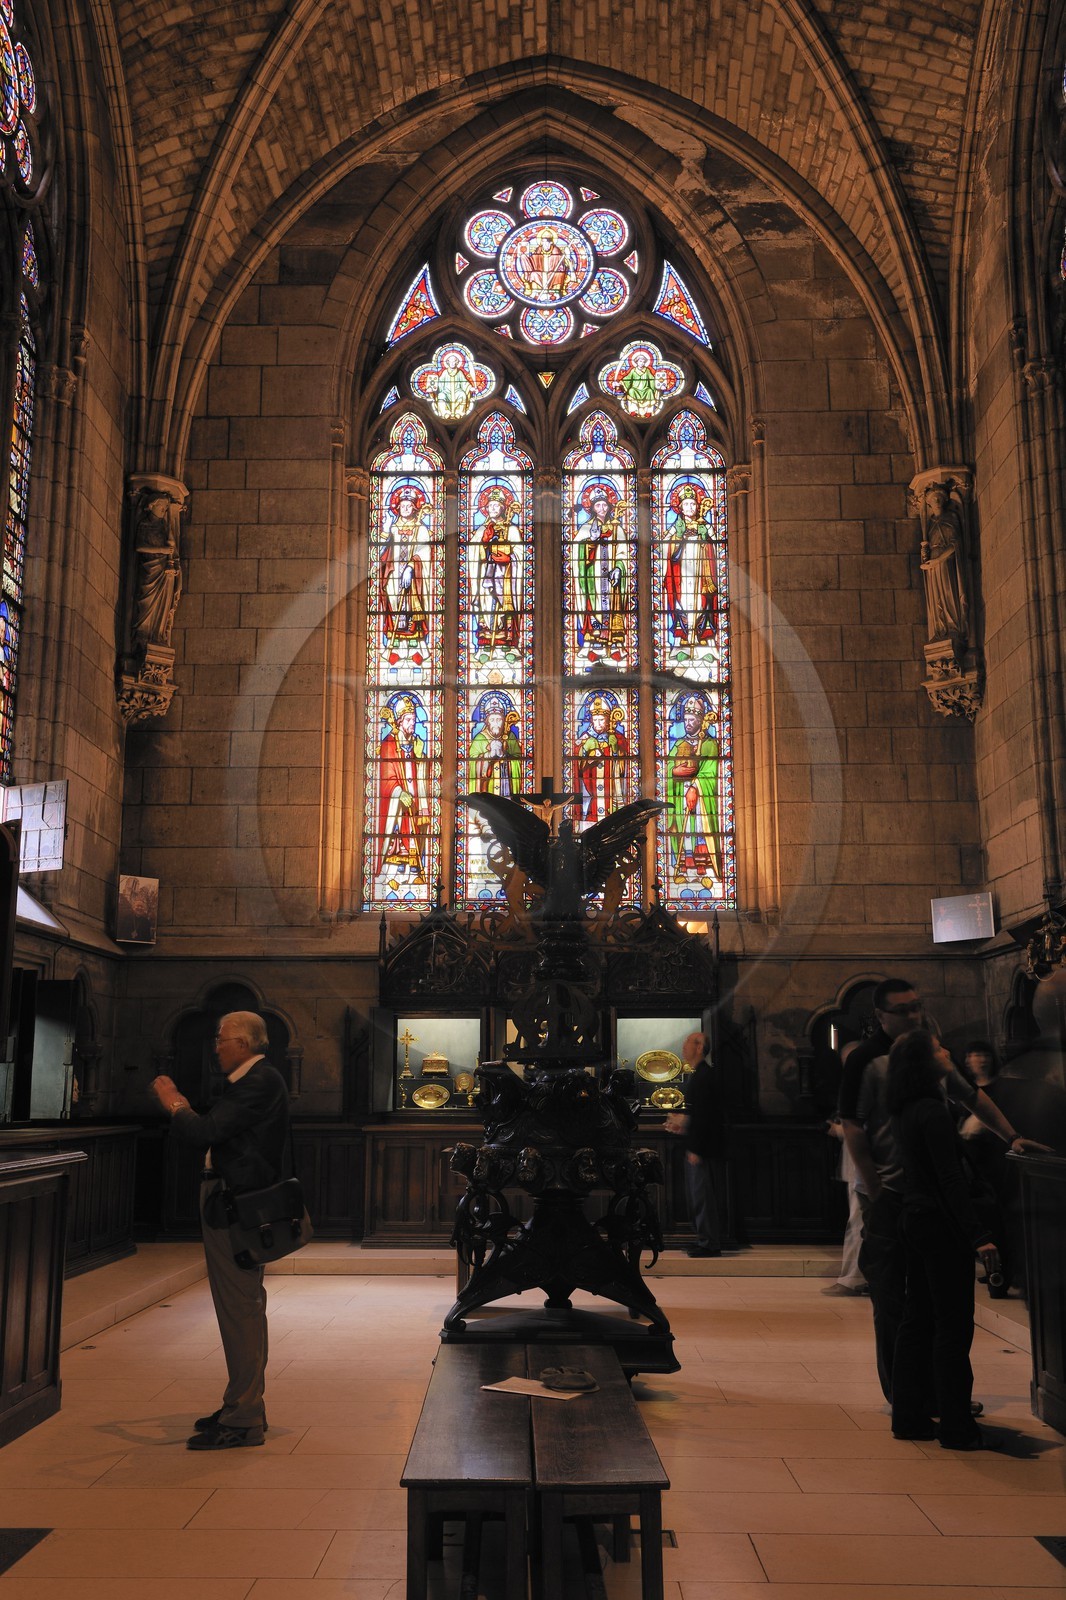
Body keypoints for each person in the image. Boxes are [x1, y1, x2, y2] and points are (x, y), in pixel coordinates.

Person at [837, 977, 1045, 1403]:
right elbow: (854, 1128)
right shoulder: (867, 1060)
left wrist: (1012, 1136)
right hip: (890, 1191)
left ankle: (933, 1390)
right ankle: (905, 1395)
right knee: (894, 1299)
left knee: (931, 1301)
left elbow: (972, 1098)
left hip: (926, 1195)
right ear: (880, 1016)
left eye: (917, 1006)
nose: (914, 1015)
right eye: (903, 1010)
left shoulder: (929, 1054)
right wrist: (876, 1191)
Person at [150, 1012, 290, 1450]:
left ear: (245, 1044)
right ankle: (239, 1403)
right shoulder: (251, 1081)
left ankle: (244, 1417)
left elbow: (204, 1131)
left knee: (240, 1308)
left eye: (222, 1039)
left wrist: (173, 1100)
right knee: (241, 1306)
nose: (216, 1046)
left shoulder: (260, 1081)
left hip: (236, 1207)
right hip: (229, 1202)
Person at [887, 1029, 998, 1449]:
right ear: (923, 1062)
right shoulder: (932, 1111)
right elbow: (950, 1179)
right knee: (952, 1327)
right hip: (939, 1224)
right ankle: (957, 1427)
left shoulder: (905, 1108)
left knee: (917, 1322)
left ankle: (909, 1417)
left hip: (915, 1219)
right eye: (937, 1048)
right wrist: (979, 1235)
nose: (946, 1051)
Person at [664, 1030, 730, 1258]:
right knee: (697, 1195)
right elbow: (698, 1114)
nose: (683, 1048)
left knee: (703, 1196)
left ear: (699, 1046)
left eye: (687, 1044)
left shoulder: (705, 1075)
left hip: (703, 1148)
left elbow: (707, 1117)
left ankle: (709, 1243)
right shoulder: (700, 1075)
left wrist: (696, 1149)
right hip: (698, 1145)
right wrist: (682, 1123)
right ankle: (703, 1239)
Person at [666, 693, 721, 889]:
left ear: (700, 720)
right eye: (686, 720)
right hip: (680, 796)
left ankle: (702, 871)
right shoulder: (679, 743)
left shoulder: (708, 744)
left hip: (702, 800)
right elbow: (666, 769)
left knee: (698, 830)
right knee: (685, 831)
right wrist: (674, 771)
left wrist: (695, 787)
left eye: (692, 720)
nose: (688, 724)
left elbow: (710, 771)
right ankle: (684, 869)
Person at [376, 696, 430, 888]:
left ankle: (412, 874)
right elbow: (386, 777)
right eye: (408, 720)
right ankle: (392, 877)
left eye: (414, 719)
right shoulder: (389, 744)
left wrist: (420, 757)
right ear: (399, 722)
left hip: (414, 797)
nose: (412, 723)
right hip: (397, 801)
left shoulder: (415, 743)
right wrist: (399, 792)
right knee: (398, 839)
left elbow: (420, 770)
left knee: (413, 838)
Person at [664, 486, 718, 649]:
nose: (690, 508)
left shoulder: (705, 526)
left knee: (701, 602)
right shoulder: (677, 526)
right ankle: (685, 635)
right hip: (682, 571)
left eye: (693, 504)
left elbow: (716, 547)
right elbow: (664, 544)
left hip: (701, 570)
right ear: (680, 507)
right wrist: (678, 538)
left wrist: (705, 538)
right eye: (686, 504)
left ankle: (700, 634)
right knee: (684, 600)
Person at [575, 695, 628, 823]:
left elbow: (623, 766)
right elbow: (576, 764)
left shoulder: (617, 738)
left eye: (601, 720)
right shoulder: (585, 738)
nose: (598, 724)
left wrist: (616, 748)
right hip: (592, 792)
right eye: (595, 719)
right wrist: (586, 752)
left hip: (611, 793)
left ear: (608, 720)